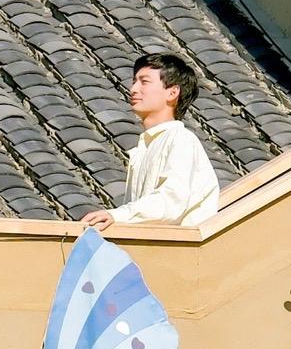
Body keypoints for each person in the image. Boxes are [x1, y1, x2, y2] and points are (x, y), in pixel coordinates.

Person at [80, 54, 220, 231]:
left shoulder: (181, 139)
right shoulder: (146, 146)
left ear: (172, 92)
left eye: (144, 82)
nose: (133, 89)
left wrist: (117, 215)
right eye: (134, 81)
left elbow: (171, 200)